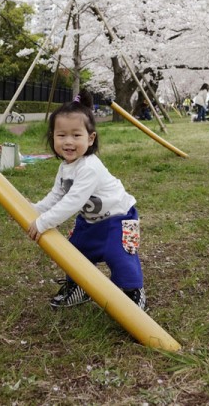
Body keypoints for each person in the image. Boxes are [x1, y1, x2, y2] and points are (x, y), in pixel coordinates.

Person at [27, 90, 146, 310]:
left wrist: (43, 222)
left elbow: (72, 201)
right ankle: (79, 288)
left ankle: (133, 293)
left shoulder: (89, 167)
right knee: (74, 253)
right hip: (90, 221)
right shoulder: (65, 167)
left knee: (119, 256)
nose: (68, 142)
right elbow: (57, 195)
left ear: (90, 138)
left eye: (76, 135)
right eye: (61, 135)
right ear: (52, 136)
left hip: (117, 219)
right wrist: (34, 209)